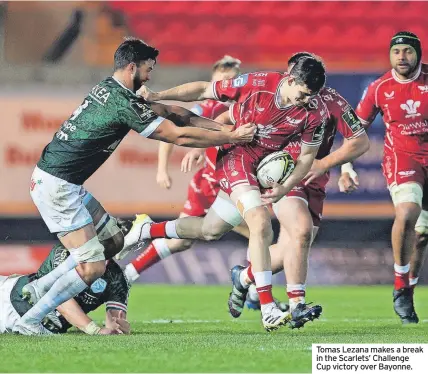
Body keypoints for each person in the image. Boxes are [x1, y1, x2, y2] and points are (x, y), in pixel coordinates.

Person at [14, 37, 256, 335]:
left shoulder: (111, 88)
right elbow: (177, 136)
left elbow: (176, 114)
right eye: (148, 69)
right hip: (58, 188)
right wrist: (232, 139)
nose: (150, 75)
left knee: (113, 241)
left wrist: (226, 129)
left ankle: (39, 287)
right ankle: (31, 319)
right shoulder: (122, 102)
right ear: (132, 67)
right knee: (93, 267)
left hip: (64, 182)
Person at [130, 56, 327, 331]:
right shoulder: (259, 83)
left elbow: (306, 157)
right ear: (291, 80)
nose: (306, 100)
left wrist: (285, 186)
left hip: (259, 170)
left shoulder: (315, 113)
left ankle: (146, 230)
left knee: (209, 230)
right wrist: (156, 95)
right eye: (304, 94)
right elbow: (203, 90)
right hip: (235, 157)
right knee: (260, 222)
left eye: (312, 96)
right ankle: (267, 307)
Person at [233, 52, 370, 328]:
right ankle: (297, 304)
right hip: (284, 175)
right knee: (301, 229)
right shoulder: (274, 95)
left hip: (316, 181)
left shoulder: (330, 101)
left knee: (290, 249)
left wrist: (333, 166)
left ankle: (244, 277)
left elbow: (360, 140)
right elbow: (234, 116)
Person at [119, 55, 251, 279]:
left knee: (182, 241)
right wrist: (162, 169)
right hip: (212, 186)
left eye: (232, 79)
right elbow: (174, 128)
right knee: (257, 231)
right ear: (213, 79)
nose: (227, 84)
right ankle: (255, 292)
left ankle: (129, 271)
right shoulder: (208, 107)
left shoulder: (246, 106)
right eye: (222, 79)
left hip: (229, 184)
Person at [341, 31, 428, 324]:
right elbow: (356, 129)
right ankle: (400, 285)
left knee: (421, 234)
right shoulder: (380, 88)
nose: (402, 57)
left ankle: (408, 292)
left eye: (408, 51)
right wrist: (346, 167)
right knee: (407, 212)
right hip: (404, 158)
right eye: (396, 52)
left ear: (418, 54)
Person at [1, 221, 132, 335]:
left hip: (38, 328)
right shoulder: (65, 253)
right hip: (9, 301)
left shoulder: (116, 278)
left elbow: (115, 321)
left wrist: (119, 327)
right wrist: (94, 329)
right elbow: (60, 299)